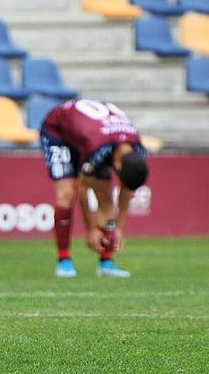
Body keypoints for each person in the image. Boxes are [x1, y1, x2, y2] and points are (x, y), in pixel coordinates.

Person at [39, 98, 149, 279]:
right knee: (67, 194)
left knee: (104, 195)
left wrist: (119, 229)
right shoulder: (96, 148)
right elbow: (82, 189)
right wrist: (90, 229)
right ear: (118, 166)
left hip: (93, 134)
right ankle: (64, 261)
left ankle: (106, 261)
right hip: (58, 131)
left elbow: (126, 191)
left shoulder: (137, 150)